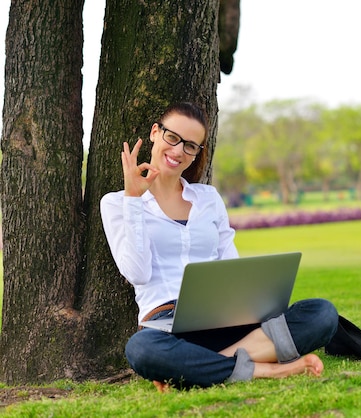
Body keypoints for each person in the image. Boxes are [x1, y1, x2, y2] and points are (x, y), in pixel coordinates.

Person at [100, 102, 338, 391]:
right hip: (166, 327)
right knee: (141, 349)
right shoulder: (116, 203)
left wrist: (249, 304)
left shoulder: (208, 198)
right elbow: (137, 273)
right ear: (155, 133)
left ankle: (209, 366)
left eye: (190, 146)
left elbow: (231, 267)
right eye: (172, 138)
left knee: (322, 313)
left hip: (225, 321)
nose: (178, 152)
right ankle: (266, 369)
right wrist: (134, 198)